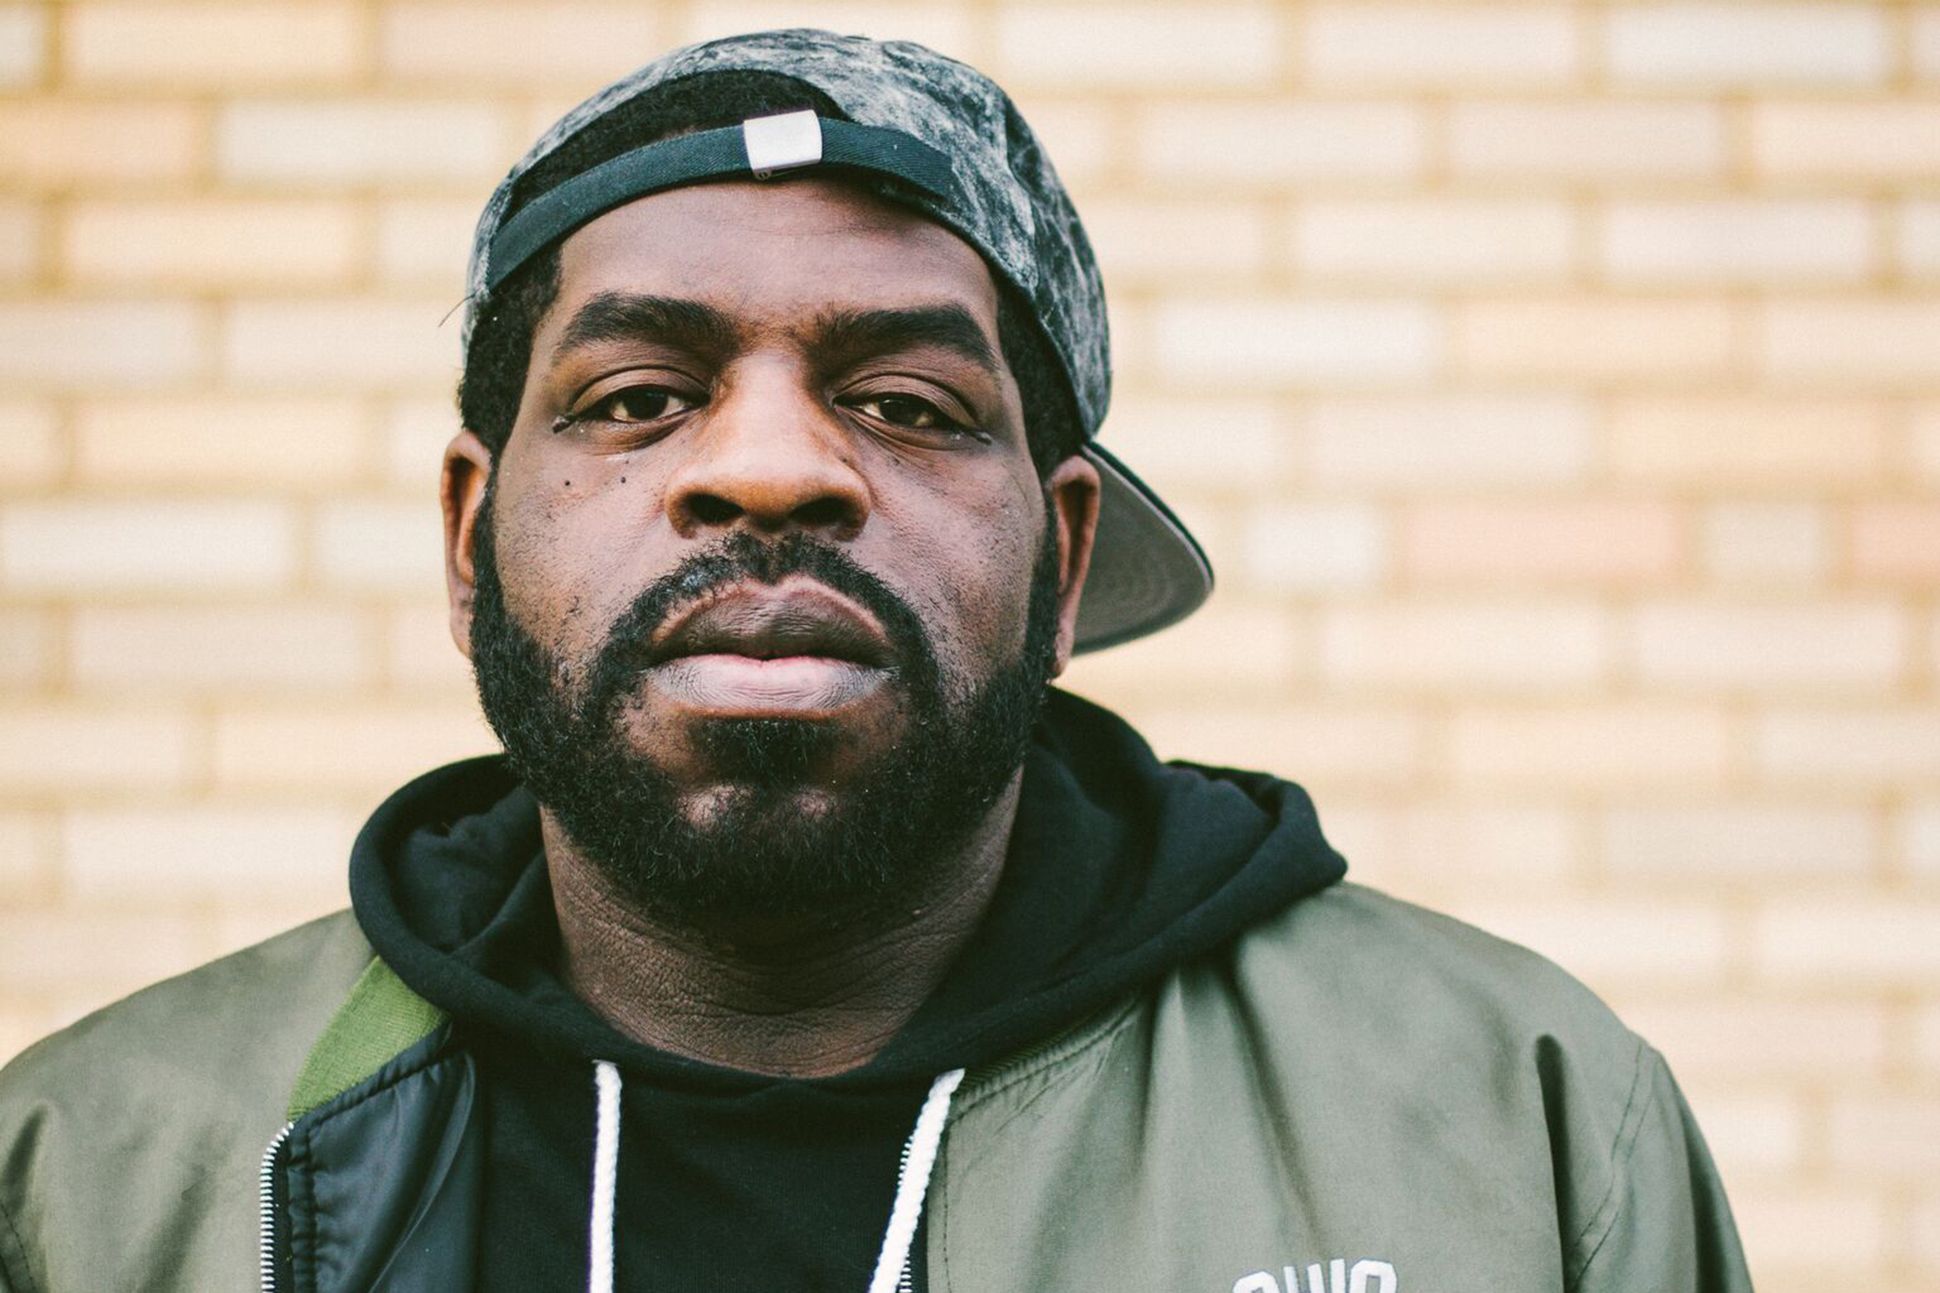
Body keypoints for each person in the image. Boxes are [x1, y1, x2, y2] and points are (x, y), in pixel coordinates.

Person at [0, 30, 1751, 1293]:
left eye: (907, 402)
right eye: (637, 396)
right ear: (470, 541)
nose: (770, 468)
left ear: (1063, 561)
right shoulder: (92, 1181)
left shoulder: (1514, 1123)